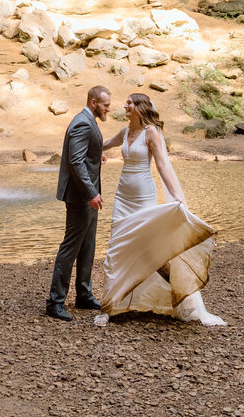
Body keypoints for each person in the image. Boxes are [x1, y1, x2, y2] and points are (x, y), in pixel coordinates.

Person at [96, 92, 225, 326]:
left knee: (152, 253)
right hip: (122, 197)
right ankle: (109, 306)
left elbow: (163, 165)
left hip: (143, 197)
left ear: (140, 107)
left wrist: (177, 197)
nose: (125, 105)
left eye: (129, 103)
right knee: (115, 248)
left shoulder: (151, 132)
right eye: (126, 102)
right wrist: (95, 151)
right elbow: (103, 145)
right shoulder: (125, 132)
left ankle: (181, 296)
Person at [46, 84, 111, 321]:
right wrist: (91, 193)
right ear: (94, 103)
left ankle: (83, 295)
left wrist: (96, 154)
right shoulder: (83, 122)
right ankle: (55, 302)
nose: (108, 110)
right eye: (105, 105)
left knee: (88, 246)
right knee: (71, 247)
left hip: (88, 196)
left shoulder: (88, 120)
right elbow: (75, 161)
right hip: (81, 196)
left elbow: (83, 154)